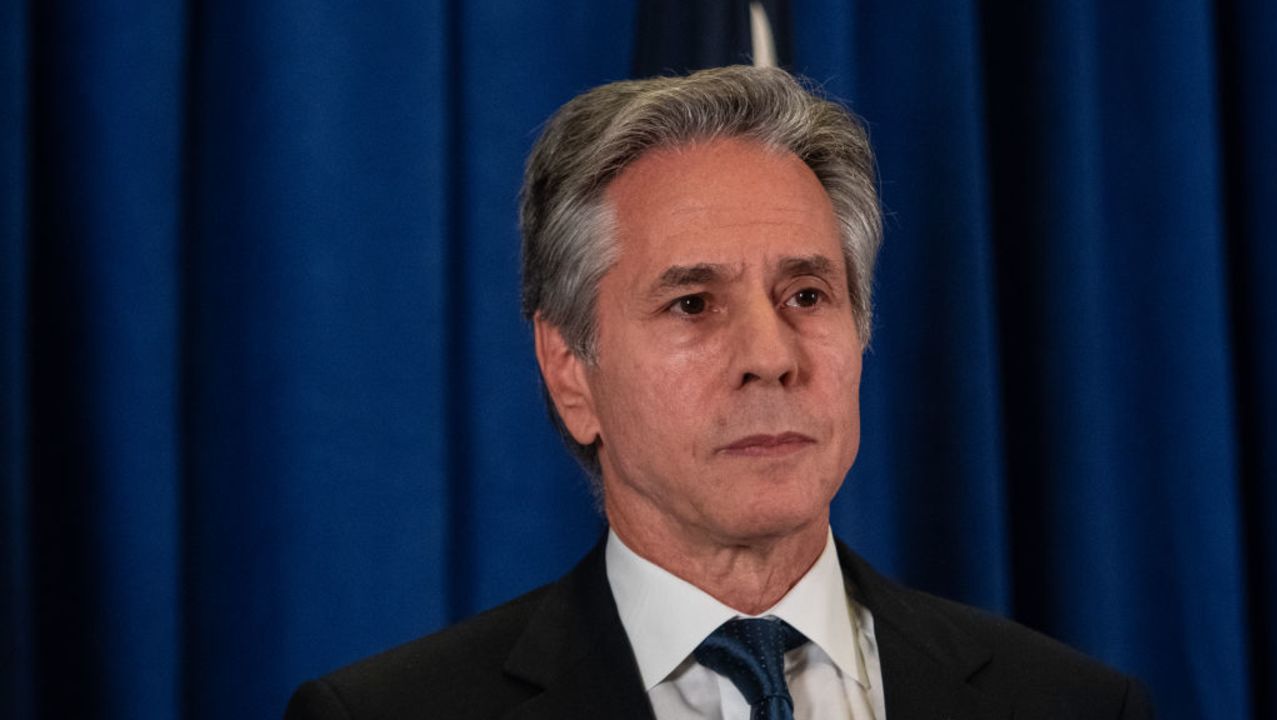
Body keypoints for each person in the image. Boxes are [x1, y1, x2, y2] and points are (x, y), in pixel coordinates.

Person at [284, 66, 1153, 720]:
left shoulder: (1074, 706)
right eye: (693, 304)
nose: (771, 357)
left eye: (807, 295)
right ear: (570, 372)